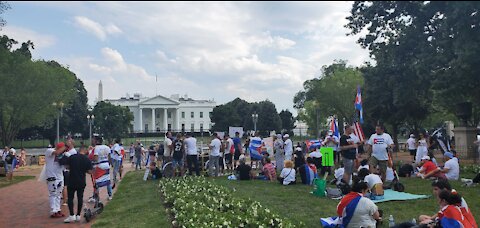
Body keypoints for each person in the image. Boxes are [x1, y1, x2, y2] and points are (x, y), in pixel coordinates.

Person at [63, 146, 93, 223]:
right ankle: (78, 215)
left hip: (71, 180)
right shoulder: (87, 159)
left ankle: (71, 215)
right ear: (85, 151)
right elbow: (90, 171)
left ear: (79, 150)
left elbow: (67, 166)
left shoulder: (72, 157)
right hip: (81, 181)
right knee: (80, 198)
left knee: (70, 198)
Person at [45, 143, 67, 218]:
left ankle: (58, 209)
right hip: (52, 176)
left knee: (58, 194)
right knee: (53, 194)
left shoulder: (62, 156)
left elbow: (65, 166)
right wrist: (66, 146)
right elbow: (57, 152)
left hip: (60, 177)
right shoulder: (49, 151)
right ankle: (53, 211)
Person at [92, 136, 113, 201]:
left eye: (94, 140)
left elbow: (95, 158)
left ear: (97, 141)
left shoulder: (96, 148)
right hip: (106, 164)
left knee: (97, 181)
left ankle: (96, 197)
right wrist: (109, 164)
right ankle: (110, 195)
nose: (93, 141)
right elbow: (110, 157)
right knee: (108, 181)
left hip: (99, 165)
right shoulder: (107, 147)